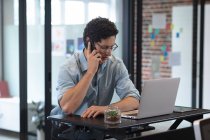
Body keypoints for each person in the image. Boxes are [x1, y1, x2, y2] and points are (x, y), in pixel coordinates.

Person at [51, 17, 140, 140]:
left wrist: (106, 109)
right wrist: (90, 72)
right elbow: (67, 107)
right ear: (89, 42)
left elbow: (134, 100)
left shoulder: (116, 65)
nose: (109, 53)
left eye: (111, 47)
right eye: (104, 47)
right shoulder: (68, 68)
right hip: (67, 129)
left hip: (95, 129)